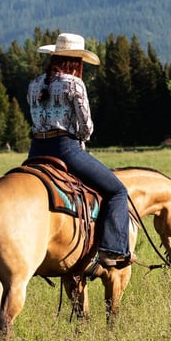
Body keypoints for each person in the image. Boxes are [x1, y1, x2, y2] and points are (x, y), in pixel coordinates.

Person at [27, 32, 135, 268]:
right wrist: (83, 139)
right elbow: (86, 125)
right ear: (76, 61)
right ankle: (112, 250)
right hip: (65, 149)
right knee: (117, 191)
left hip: (35, 151)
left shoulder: (34, 84)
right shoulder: (74, 83)